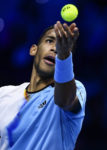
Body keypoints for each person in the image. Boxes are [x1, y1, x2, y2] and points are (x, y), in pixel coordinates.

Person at [0, 21, 86, 150]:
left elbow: (65, 101)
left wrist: (63, 56)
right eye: (50, 41)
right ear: (33, 49)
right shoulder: (4, 93)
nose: (56, 48)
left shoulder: (75, 89)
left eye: (63, 46)